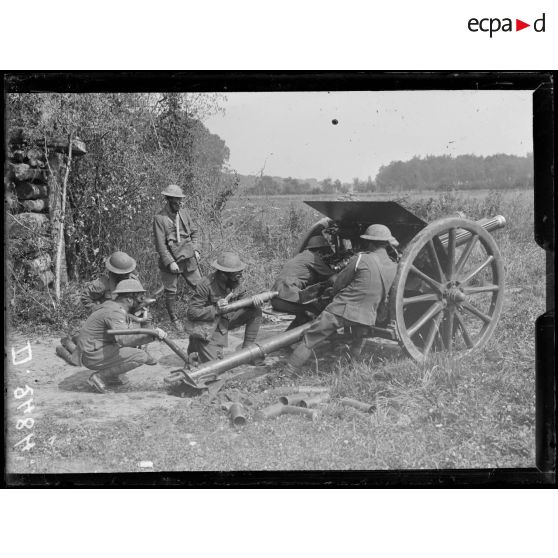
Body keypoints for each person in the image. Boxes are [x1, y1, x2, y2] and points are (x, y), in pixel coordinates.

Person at [286, 224, 399, 370]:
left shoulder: (361, 259)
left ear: (370, 242)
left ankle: (287, 373)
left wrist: (332, 294)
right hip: (368, 315)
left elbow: (339, 284)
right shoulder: (394, 266)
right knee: (359, 339)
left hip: (343, 309)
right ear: (386, 243)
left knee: (310, 339)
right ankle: (352, 367)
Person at [76, 279, 167, 394]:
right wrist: (152, 335)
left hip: (94, 349)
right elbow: (124, 339)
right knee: (140, 356)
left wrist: (149, 329)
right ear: (129, 299)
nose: (141, 303)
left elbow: (127, 332)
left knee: (132, 348)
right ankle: (98, 377)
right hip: (92, 354)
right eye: (139, 299)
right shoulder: (114, 312)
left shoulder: (113, 307)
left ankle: (111, 376)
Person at [56, 251, 138, 366]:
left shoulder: (133, 282)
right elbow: (85, 297)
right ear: (113, 271)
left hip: (121, 322)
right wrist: (97, 309)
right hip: (104, 325)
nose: (126, 275)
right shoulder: (102, 283)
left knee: (129, 349)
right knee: (80, 358)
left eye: (127, 272)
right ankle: (67, 342)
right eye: (123, 273)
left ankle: (74, 338)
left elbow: (137, 301)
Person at [185, 252, 265, 363]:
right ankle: (196, 348)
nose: (240, 277)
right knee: (217, 366)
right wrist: (216, 308)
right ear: (223, 274)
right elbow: (192, 312)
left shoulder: (235, 281)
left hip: (226, 320)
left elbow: (243, 298)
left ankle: (248, 352)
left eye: (240, 273)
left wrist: (253, 300)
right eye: (237, 275)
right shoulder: (205, 284)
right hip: (211, 326)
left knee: (255, 311)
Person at [153, 184, 202, 332]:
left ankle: (201, 316)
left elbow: (194, 233)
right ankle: (174, 319)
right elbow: (160, 245)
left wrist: (196, 249)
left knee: (201, 287)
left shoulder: (185, 213)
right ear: (168, 200)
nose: (179, 204)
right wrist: (170, 262)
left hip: (188, 257)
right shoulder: (159, 218)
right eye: (176, 202)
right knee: (171, 292)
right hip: (171, 262)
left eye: (180, 201)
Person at [271, 235, 336, 329]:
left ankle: (286, 341)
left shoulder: (302, 256)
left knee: (304, 315)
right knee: (315, 311)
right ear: (319, 251)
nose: (325, 256)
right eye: (324, 253)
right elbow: (334, 279)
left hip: (277, 298)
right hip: (285, 297)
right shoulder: (313, 258)